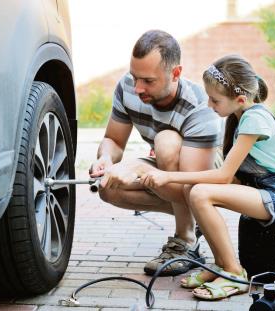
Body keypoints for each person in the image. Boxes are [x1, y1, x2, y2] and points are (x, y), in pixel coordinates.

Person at [139, 55, 275, 300]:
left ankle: (234, 273)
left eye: (215, 99)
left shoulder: (255, 119)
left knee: (200, 193)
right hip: (261, 188)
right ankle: (220, 264)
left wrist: (167, 176)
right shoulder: (240, 115)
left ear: (239, 99)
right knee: (194, 189)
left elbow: (224, 176)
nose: (209, 104)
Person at [89, 30, 225, 276]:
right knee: (108, 187)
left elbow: (190, 186)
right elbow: (113, 140)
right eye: (134, 77)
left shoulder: (199, 107)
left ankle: (186, 240)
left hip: (204, 174)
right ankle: (201, 219)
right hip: (172, 171)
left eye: (148, 81)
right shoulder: (127, 88)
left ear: (175, 74)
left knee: (166, 139)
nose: (138, 88)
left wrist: (139, 170)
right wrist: (106, 158)